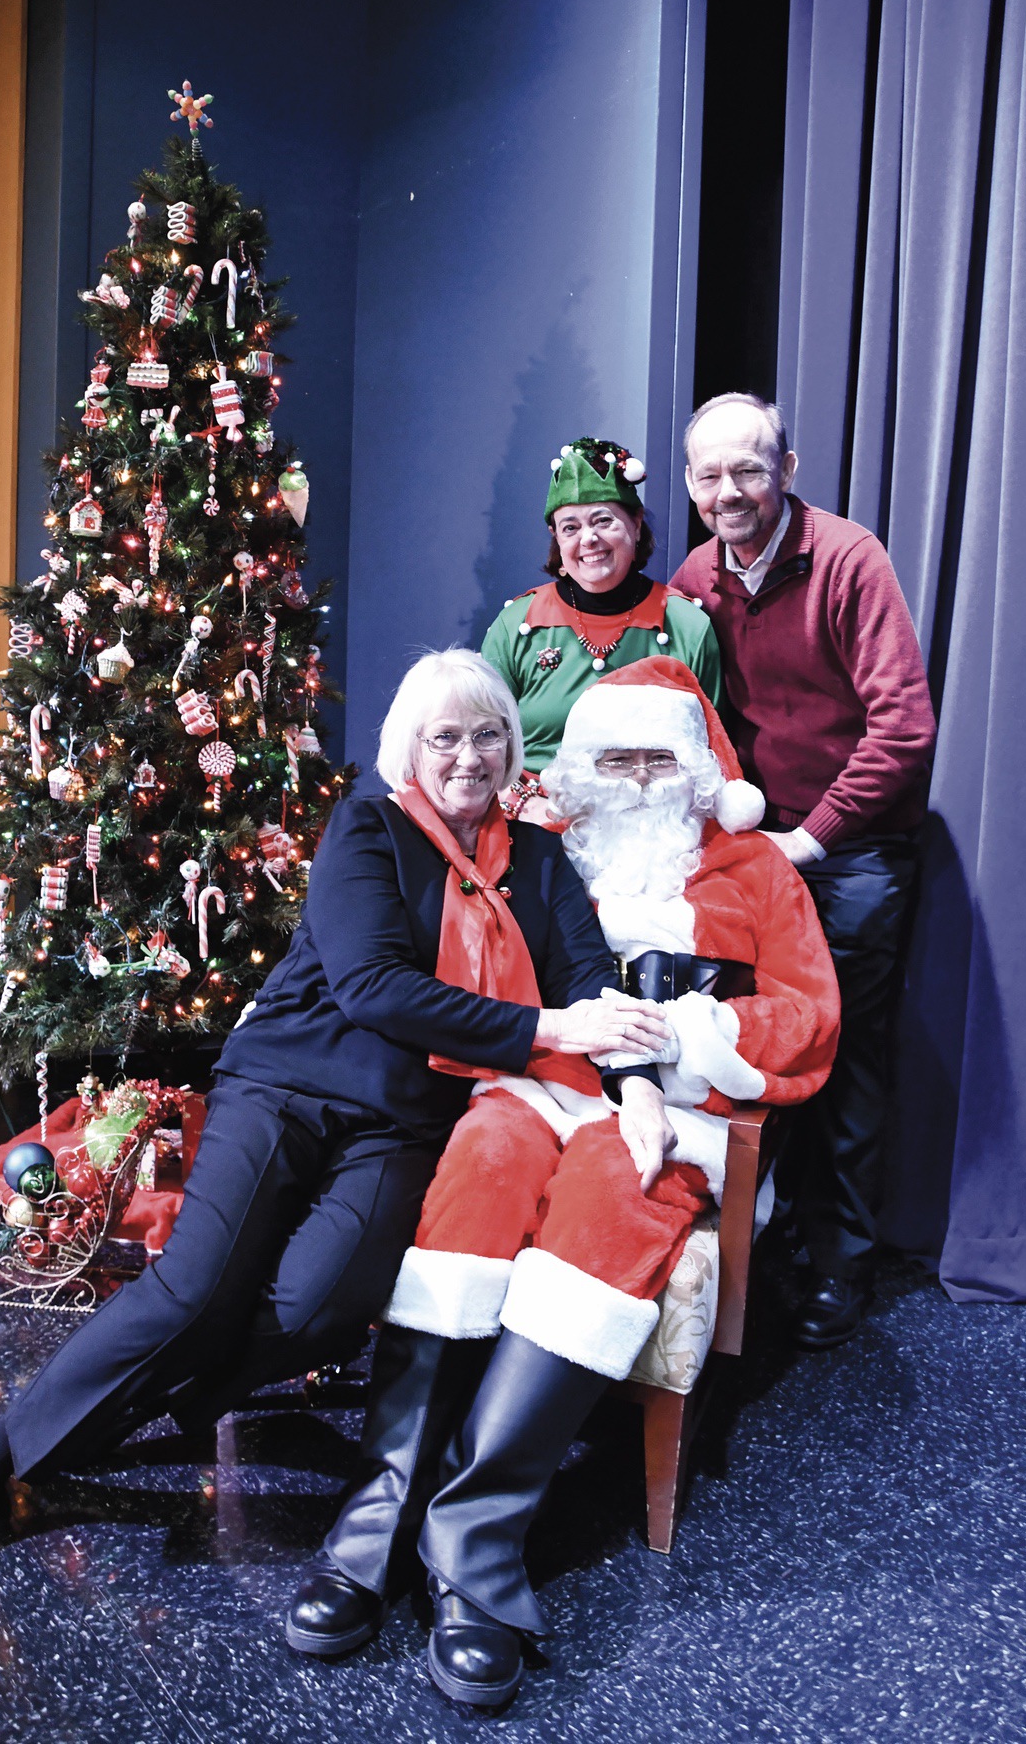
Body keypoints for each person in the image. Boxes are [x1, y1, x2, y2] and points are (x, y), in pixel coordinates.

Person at [0, 649, 667, 1585]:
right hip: (289, 1083)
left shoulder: (536, 858)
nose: (469, 755)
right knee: (197, 1291)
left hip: (406, 1119)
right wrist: (546, 1028)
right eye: (444, 736)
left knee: (326, 1306)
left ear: (511, 745)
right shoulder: (369, 828)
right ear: (409, 749)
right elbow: (377, 988)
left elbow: (592, 982)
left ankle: (130, 1398)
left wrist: (643, 1084)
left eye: (488, 733)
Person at [286, 657, 839, 1707]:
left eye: (656, 758)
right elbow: (538, 976)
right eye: (612, 756)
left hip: (681, 1107)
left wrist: (688, 1036)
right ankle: (377, 1518)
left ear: (693, 768)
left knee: (606, 1197)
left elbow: (810, 1014)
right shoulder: (543, 849)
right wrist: (589, 1049)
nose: (634, 778)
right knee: (481, 1162)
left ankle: (477, 1541)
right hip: (543, 1078)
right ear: (578, 767)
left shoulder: (758, 869)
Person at [671, 392, 937, 1348]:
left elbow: (903, 728)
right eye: (710, 475)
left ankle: (841, 1265)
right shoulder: (697, 575)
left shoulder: (848, 559)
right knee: (737, 1042)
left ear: (786, 469)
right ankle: (756, 1244)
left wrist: (811, 837)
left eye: (749, 469)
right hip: (753, 845)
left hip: (849, 849)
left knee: (840, 1050)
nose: (729, 491)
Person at [481, 437, 722, 822]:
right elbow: (480, 746)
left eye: (603, 520)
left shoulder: (687, 626)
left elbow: (712, 754)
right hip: (533, 824)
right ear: (556, 540)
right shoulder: (517, 625)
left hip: (655, 830)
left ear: (636, 524)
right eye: (570, 527)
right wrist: (525, 807)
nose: (588, 539)